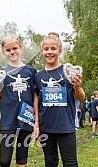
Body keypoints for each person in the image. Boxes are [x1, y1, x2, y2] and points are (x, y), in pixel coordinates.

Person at [0, 34, 39, 167]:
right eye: (8, 50)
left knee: (22, 158)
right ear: (4, 52)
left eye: (15, 48)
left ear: (21, 48)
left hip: (26, 118)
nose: (12, 52)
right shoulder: (1, 72)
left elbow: (35, 97)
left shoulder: (31, 71)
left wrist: (36, 121)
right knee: (4, 160)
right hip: (8, 119)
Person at [34, 32, 85, 166]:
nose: (49, 52)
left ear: (60, 50)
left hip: (66, 126)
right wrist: (37, 124)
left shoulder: (68, 71)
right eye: (46, 49)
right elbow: (36, 101)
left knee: (70, 163)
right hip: (46, 127)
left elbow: (81, 97)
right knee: (50, 162)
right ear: (42, 51)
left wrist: (78, 87)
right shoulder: (38, 76)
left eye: (53, 49)